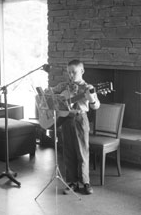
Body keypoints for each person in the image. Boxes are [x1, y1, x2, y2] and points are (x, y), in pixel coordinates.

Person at [49, 59, 100, 195]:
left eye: (74, 72)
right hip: (65, 120)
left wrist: (92, 99)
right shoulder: (63, 86)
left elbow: (96, 105)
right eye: (69, 73)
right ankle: (72, 182)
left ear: (82, 71)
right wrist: (51, 96)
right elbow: (49, 95)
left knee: (82, 152)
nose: (71, 75)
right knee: (68, 152)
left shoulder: (88, 88)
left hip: (80, 119)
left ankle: (85, 182)